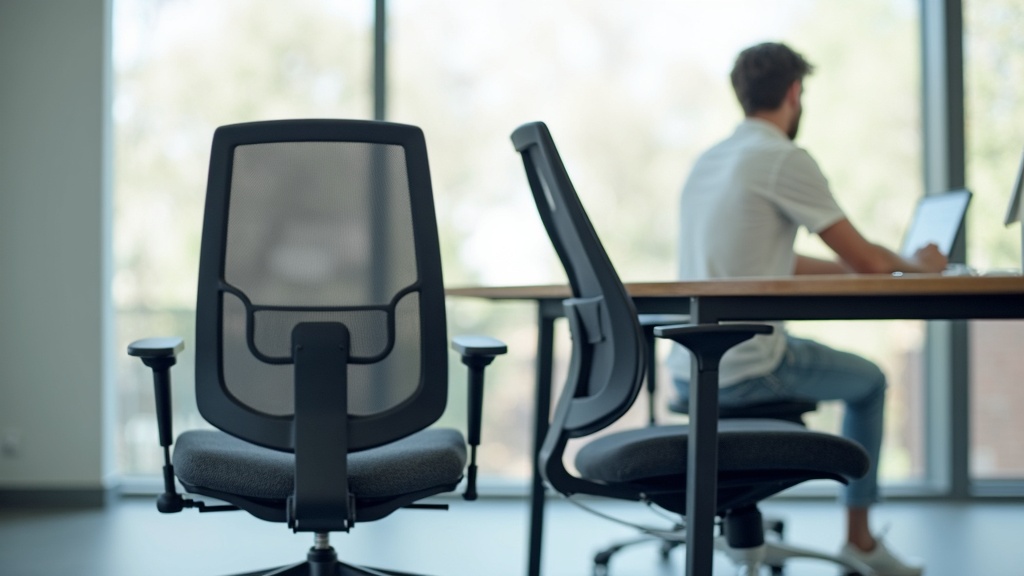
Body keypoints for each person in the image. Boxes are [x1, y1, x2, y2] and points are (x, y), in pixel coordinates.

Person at [668, 42, 943, 576]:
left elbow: (779, 261)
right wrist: (917, 264)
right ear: (795, 93)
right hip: (748, 366)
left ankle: (856, 538)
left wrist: (859, 265)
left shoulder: (712, 160)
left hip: (690, 364)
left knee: (826, 360)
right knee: (871, 381)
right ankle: (859, 542)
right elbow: (868, 261)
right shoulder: (781, 156)